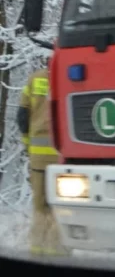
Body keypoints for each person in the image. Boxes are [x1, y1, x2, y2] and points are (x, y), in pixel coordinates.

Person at [17, 66, 66, 256]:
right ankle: (59, 252)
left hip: (38, 156)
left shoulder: (34, 79)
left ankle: (36, 251)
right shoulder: (68, 75)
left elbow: (22, 116)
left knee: (40, 206)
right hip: (63, 157)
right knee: (61, 206)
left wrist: (27, 143)